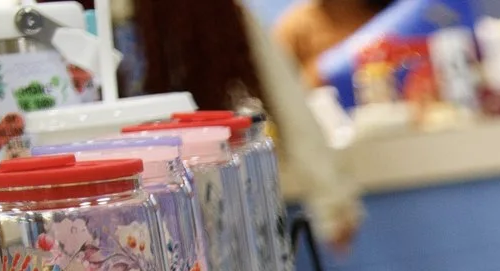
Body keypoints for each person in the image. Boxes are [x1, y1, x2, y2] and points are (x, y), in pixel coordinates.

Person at [126, 0, 364, 249]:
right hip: (209, 209)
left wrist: (332, 200)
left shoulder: (210, 14)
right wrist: (333, 200)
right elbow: (289, 102)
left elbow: (287, 100)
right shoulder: (213, 14)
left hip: (204, 212)